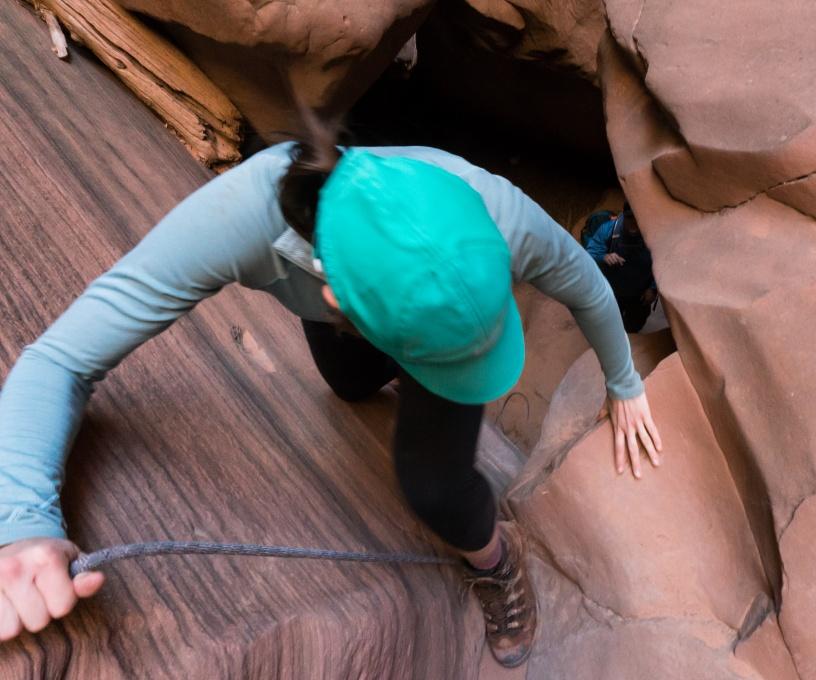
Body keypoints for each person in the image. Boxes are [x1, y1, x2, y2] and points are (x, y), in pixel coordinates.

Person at [0, 138, 663, 666]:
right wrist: (22, 523)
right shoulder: (241, 217)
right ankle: (389, 361)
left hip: (383, 309)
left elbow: (586, 287)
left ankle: (496, 559)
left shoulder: (501, 214)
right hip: (347, 304)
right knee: (345, 382)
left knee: (434, 486)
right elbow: (59, 359)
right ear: (334, 298)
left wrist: (624, 383)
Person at [584, 204, 658, 333]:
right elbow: (590, 252)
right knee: (608, 325)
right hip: (612, 292)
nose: (633, 223)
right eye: (630, 218)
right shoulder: (609, 230)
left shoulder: (654, 235)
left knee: (634, 325)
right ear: (624, 216)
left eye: (637, 219)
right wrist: (604, 257)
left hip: (640, 295)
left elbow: (665, 263)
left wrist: (653, 289)